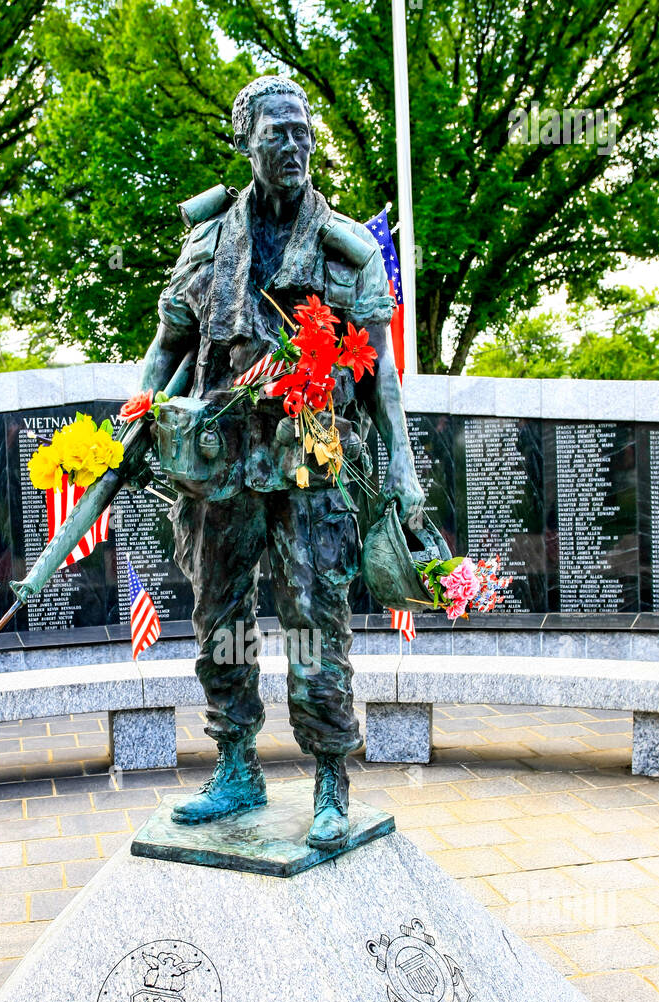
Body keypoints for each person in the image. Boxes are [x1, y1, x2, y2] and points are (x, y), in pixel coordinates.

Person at [139, 74, 424, 851]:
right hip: (219, 463)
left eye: (303, 132)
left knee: (314, 615)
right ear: (246, 142)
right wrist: (139, 418)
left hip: (310, 459)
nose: (295, 146)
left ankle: (332, 773)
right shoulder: (204, 241)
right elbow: (168, 349)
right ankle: (236, 765)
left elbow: (380, 373)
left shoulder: (347, 251)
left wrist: (402, 468)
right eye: (277, 133)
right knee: (218, 615)